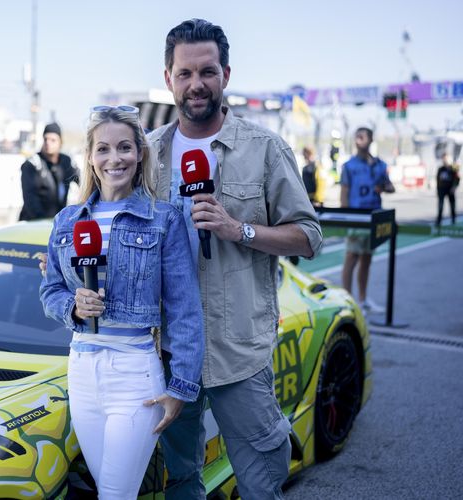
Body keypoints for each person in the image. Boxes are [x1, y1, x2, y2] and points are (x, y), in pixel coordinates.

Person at [146, 19, 322, 499]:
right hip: (168, 354)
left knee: (261, 480)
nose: (196, 84)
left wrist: (237, 229)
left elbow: (308, 236)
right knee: (181, 478)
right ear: (168, 79)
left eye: (207, 71)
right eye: (184, 74)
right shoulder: (149, 154)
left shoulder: (265, 149)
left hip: (238, 354)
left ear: (226, 73)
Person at [39, 106, 204, 499]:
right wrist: (73, 307)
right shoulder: (67, 221)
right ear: (91, 158)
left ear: (140, 154)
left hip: (134, 374)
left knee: (114, 495)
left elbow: (184, 309)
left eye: (125, 147)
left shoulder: (163, 219)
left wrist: (181, 386)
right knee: (113, 492)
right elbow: (50, 291)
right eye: (104, 149)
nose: (115, 158)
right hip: (80, 371)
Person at [340, 127, 395, 314]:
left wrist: (384, 187)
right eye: (356, 136)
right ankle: (348, 300)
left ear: (371, 139)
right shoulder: (349, 166)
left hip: (373, 216)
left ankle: (363, 300)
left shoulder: (379, 164)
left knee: (367, 259)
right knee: (351, 257)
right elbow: (344, 192)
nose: (358, 140)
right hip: (356, 217)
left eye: (362, 136)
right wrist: (345, 217)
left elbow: (390, 187)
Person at [19, 122, 79, 221]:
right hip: (33, 223)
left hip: (57, 223)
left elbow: (84, 183)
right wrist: (44, 222)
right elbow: (30, 200)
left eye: (53, 140)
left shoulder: (66, 162)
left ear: (61, 142)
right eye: (45, 139)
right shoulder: (32, 164)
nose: (48, 143)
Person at [436, 152, 459, 227]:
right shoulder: (440, 169)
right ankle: (438, 221)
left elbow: (457, 178)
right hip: (442, 189)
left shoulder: (453, 167)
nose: (445, 160)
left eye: (446, 158)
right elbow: (438, 179)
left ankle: (453, 220)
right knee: (440, 206)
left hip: (450, 189)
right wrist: (438, 190)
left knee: (452, 206)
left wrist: (454, 187)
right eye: (443, 158)